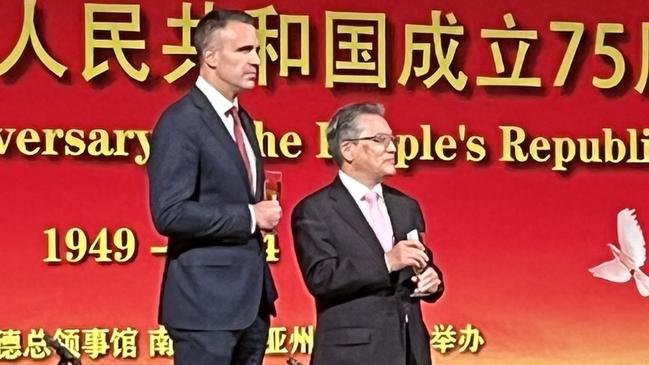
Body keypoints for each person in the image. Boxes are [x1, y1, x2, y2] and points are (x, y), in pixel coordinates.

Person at [147, 9, 281, 365]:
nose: (256, 60)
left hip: (250, 304)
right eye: (243, 50)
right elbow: (170, 212)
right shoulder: (182, 122)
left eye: (257, 50)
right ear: (210, 56)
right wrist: (249, 217)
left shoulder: (243, 120)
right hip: (205, 308)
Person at [291, 102, 444, 365]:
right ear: (347, 149)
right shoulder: (316, 210)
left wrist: (433, 281)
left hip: (410, 351)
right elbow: (322, 278)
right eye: (379, 140)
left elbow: (421, 262)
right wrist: (386, 263)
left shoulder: (405, 206)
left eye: (393, 140)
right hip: (353, 354)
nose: (392, 148)